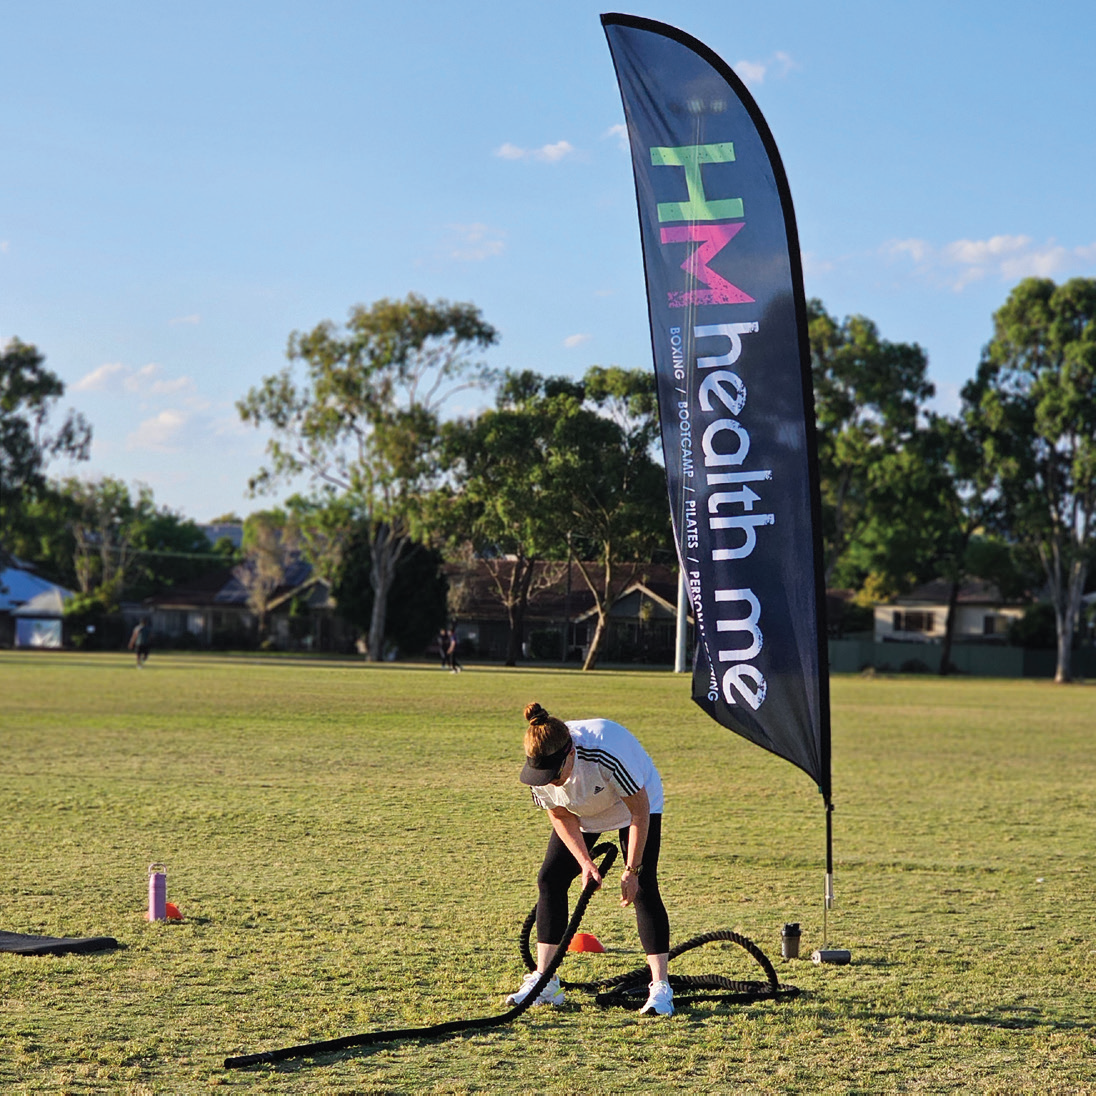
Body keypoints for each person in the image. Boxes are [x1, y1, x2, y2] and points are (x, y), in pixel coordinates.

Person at [506, 701, 674, 1016]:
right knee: (551, 878)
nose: (548, 781)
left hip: (633, 805)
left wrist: (631, 870)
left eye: (554, 774)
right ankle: (546, 982)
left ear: (570, 754)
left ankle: (661, 989)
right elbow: (559, 814)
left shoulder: (604, 753)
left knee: (644, 886)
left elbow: (639, 811)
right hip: (582, 808)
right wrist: (585, 862)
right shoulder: (541, 772)